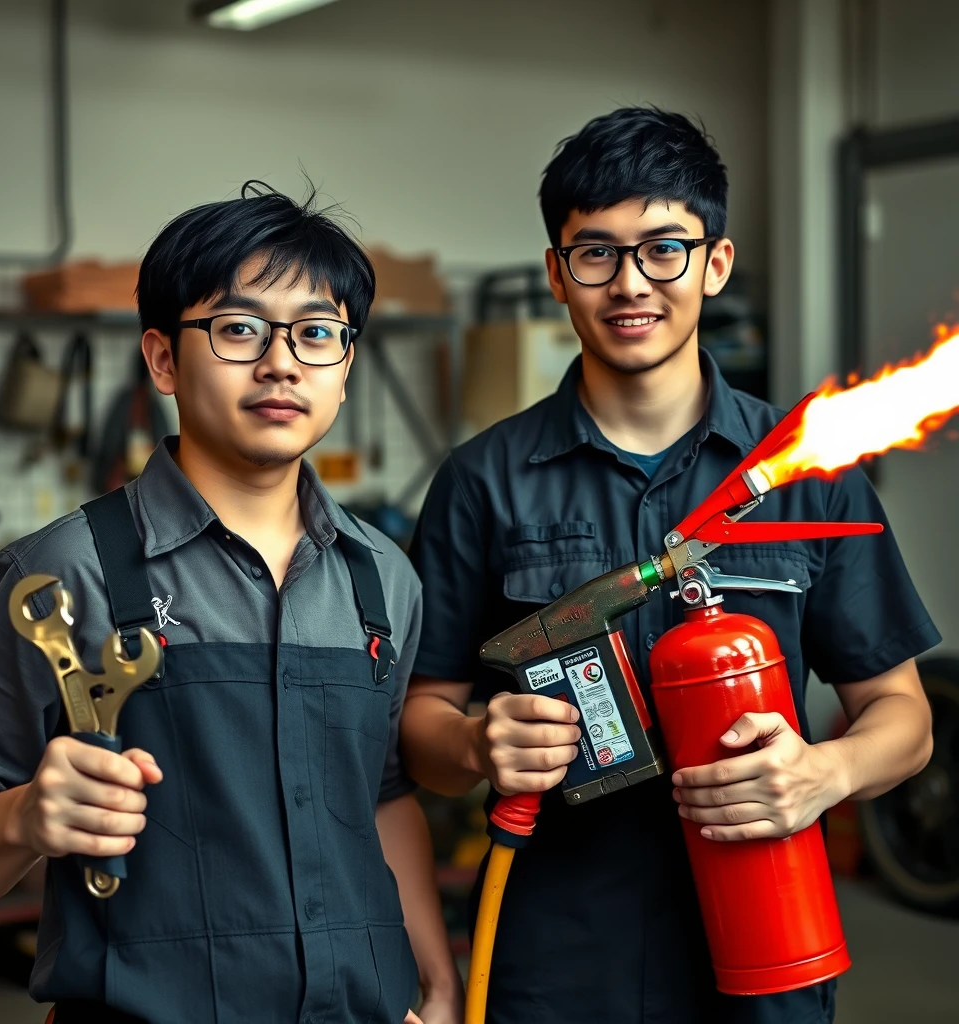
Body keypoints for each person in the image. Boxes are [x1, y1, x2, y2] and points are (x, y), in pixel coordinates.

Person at [400, 108, 938, 1024]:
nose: (630, 283)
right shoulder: (482, 482)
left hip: (769, 951)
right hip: (560, 966)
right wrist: (475, 744)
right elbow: (419, 725)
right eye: (595, 254)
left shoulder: (805, 476)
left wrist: (828, 773)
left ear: (714, 264)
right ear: (556, 277)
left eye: (663, 249)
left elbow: (904, 720)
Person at [0, 182, 463, 1024]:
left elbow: (380, 794)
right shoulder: (66, 573)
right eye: (239, 329)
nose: (282, 362)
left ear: (345, 364)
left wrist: (436, 984)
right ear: (162, 359)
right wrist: (27, 817)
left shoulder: (382, 578)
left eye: (317, 334)